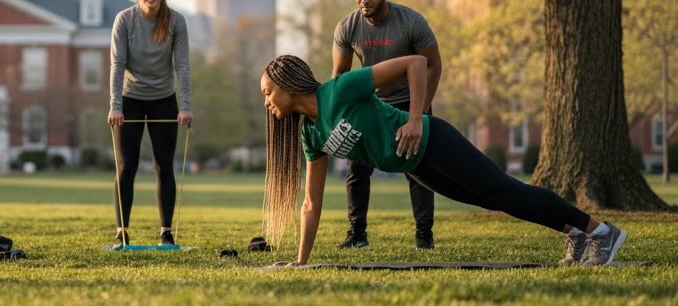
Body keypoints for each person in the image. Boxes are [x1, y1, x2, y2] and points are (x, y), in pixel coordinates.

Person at [260, 53, 627, 267]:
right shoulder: (310, 133)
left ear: (288, 83)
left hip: (435, 142)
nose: (267, 101)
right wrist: (301, 262)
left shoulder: (339, 90)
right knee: (496, 201)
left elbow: (416, 63)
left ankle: (601, 231)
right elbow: (311, 202)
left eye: (268, 91)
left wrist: (416, 119)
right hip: (417, 167)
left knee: (507, 190)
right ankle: (576, 235)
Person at [333, 0, 442, 249]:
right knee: (357, 168)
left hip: (409, 100)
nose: (363, 0)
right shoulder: (348, 26)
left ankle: (424, 236)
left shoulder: (411, 21)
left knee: (418, 170)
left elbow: (433, 65)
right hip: (370, 103)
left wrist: (418, 115)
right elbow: (340, 79)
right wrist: (341, 116)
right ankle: (357, 234)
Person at [108, 0, 192, 248]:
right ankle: (122, 231)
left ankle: (166, 231)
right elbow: (117, 65)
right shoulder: (125, 20)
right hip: (130, 99)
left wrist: (185, 106)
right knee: (126, 166)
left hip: (164, 99)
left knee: (163, 167)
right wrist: (115, 106)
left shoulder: (176, 22)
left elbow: (182, 66)